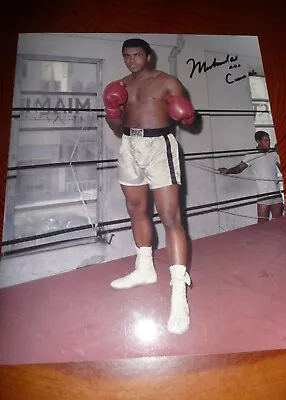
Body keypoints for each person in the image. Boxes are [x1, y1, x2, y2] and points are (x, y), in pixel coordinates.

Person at [102, 38, 197, 335]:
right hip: (129, 144)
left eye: (137, 55)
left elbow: (189, 123)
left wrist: (188, 115)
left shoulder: (168, 81)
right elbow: (117, 129)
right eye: (126, 56)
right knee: (136, 209)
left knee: (170, 217)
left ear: (148, 55)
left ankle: (179, 292)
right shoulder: (120, 84)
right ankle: (145, 269)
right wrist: (112, 112)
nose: (131, 61)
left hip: (160, 146)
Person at [218, 131, 284, 224]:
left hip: (276, 193)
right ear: (258, 141)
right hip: (263, 195)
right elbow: (239, 168)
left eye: (269, 140)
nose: (268, 143)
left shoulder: (273, 154)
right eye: (265, 141)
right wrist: (227, 171)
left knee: (278, 222)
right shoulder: (251, 155)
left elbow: (283, 170)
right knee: (262, 223)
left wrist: (283, 152)